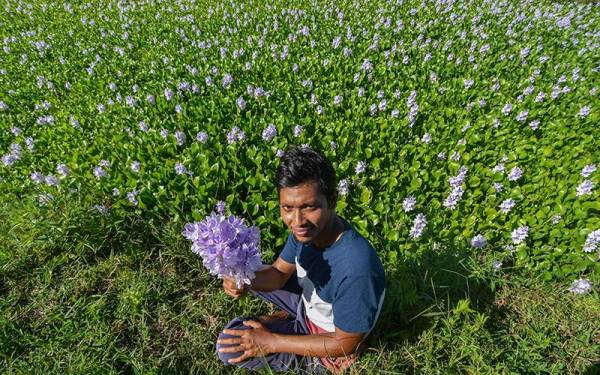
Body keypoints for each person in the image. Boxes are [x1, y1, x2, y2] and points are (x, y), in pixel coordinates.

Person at [216, 145, 386, 373]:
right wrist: (240, 278)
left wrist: (272, 342)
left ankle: (314, 360)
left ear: (332, 200)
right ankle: (288, 320)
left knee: (229, 347)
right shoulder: (307, 231)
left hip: (329, 335)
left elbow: (346, 342)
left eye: (309, 207)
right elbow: (277, 274)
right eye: (287, 208)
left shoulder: (356, 267)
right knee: (248, 271)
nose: (297, 220)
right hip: (309, 305)